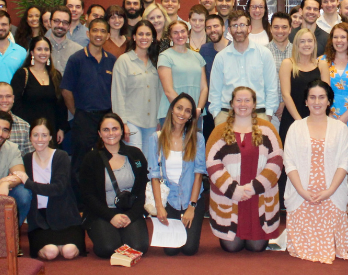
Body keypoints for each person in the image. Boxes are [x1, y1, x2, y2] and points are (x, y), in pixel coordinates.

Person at [283, 80, 348, 263]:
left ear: (329, 101)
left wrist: (329, 191)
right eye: (313, 97)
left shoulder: (340, 128)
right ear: (306, 102)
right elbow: (289, 163)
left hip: (331, 194)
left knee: (327, 249)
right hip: (302, 195)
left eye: (322, 97)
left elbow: (343, 163)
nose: (317, 102)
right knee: (302, 250)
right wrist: (302, 191)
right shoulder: (296, 127)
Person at [207, 86, 283, 252]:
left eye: (247, 100)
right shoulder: (219, 131)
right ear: (232, 104)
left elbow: (276, 161)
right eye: (239, 100)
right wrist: (234, 190)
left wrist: (254, 187)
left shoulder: (268, 129)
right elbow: (212, 164)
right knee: (231, 247)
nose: (243, 104)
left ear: (254, 104)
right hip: (230, 198)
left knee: (257, 247)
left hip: (258, 197)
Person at [79, 113, 149, 258]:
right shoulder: (91, 159)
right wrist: (111, 216)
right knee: (108, 248)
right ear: (99, 133)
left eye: (115, 129)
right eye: (106, 130)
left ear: (122, 131)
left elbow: (142, 190)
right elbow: (88, 196)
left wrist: (131, 216)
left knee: (138, 247)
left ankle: (125, 232)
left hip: (130, 211)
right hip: (102, 213)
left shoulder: (136, 155)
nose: (111, 133)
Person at [61, 18, 117, 201]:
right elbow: (66, 90)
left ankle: (102, 202)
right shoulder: (76, 59)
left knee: (105, 161)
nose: (98, 35)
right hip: (84, 117)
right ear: (88, 33)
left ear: (108, 35)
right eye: (95, 31)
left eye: (102, 31)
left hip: (106, 119)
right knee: (81, 164)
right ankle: (81, 206)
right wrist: (76, 112)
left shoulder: (112, 61)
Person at [145, 94, 206, 256]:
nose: (182, 113)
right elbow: (154, 175)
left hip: (191, 199)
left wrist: (192, 207)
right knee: (171, 250)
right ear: (171, 110)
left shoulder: (198, 138)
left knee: (189, 249)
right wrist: (159, 207)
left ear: (191, 116)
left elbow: (199, 174)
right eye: (179, 108)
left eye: (187, 111)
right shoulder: (155, 138)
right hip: (168, 199)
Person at [16, 118, 84, 259]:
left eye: (44, 135)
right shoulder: (26, 159)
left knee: (69, 252)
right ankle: (55, 245)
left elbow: (58, 189)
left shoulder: (61, 156)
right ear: (30, 137)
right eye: (35, 135)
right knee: (51, 252)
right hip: (39, 220)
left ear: (51, 137)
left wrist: (28, 183)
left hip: (66, 217)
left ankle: (61, 244)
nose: (39, 139)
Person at [208, 10, 279, 126]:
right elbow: (214, 93)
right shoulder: (220, 57)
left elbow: (271, 89)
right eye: (234, 26)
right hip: (227, 115)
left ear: (249, 28)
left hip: (258, 114)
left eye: (242, 25)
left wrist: (268, 116)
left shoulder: (264, 54)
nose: (239, 30)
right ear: (229, 30)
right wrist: (217, 116)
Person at [110, 20, 160, 152]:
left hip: (152, 122)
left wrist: (159, 120)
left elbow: (159, 94)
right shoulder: (124, 61)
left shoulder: (156, 62)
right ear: (134, 37)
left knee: (149, 163)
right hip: (131, 121)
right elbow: (118, 94)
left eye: (148, 34)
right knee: (136, 160)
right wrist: (122, 123)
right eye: (140, 34)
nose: (144, 38)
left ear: (153, 38)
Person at [11, 37, 68, 145]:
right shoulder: (22, 74)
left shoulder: (56, 75)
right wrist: (26, 127)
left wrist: (61, 128)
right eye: (39, 49)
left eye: (46, 50)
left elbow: (61, 105)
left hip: (51, 130)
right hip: (28, 131)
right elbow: (15, 103)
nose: (43, 53)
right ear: (32, 52)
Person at [279, 28, 325, 139]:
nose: (306, 44)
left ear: (314, 43)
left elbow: (325, 95)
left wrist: (313, 121)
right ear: (296, 45)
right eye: (302, 41)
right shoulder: (287, 64)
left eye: (310, 41)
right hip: (292, 119)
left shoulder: (321, 65)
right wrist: (300, 122)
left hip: (316, 119)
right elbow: (286, 95)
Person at [158, 20, 207, 122]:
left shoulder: (197, 57)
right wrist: (184, 112)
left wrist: (198, 109)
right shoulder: (165, 57)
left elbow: (204, 88)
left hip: (195, 115)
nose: (180, 35)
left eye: (182, 31)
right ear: (170, 37)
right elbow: (168, 91)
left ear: (188, 33)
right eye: (175, 33)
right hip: (173, 113)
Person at [318, 22, 348, 130]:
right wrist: (328, 113)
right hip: (326, 113)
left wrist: (346, 116)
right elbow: (318, 91)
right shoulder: (322, 60)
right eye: (335, 37)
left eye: (343, 37)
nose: (339, 40)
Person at [199, 13, 229, 140]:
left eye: (215, 26)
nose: (212, 30)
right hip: (209, 108)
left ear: (223, 28)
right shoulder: (204, 50)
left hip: (229, 107)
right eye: (209, 27)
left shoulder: (233, 48)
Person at [266, 12, 293, 126]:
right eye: (276, 27)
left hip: (293, 109)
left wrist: (285, 103)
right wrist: (274, 106)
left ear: (290, 29)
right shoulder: (263, 53)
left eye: (284, 27)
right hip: (269, 112)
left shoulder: (298, 52)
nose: (280, 31)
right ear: (271, 29)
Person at [45, 6, 82, 75]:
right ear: (50, 22)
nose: (60, 25)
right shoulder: (38, 47)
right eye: (56, 21)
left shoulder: (78, 51)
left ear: (69, 26)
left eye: (65, 22)